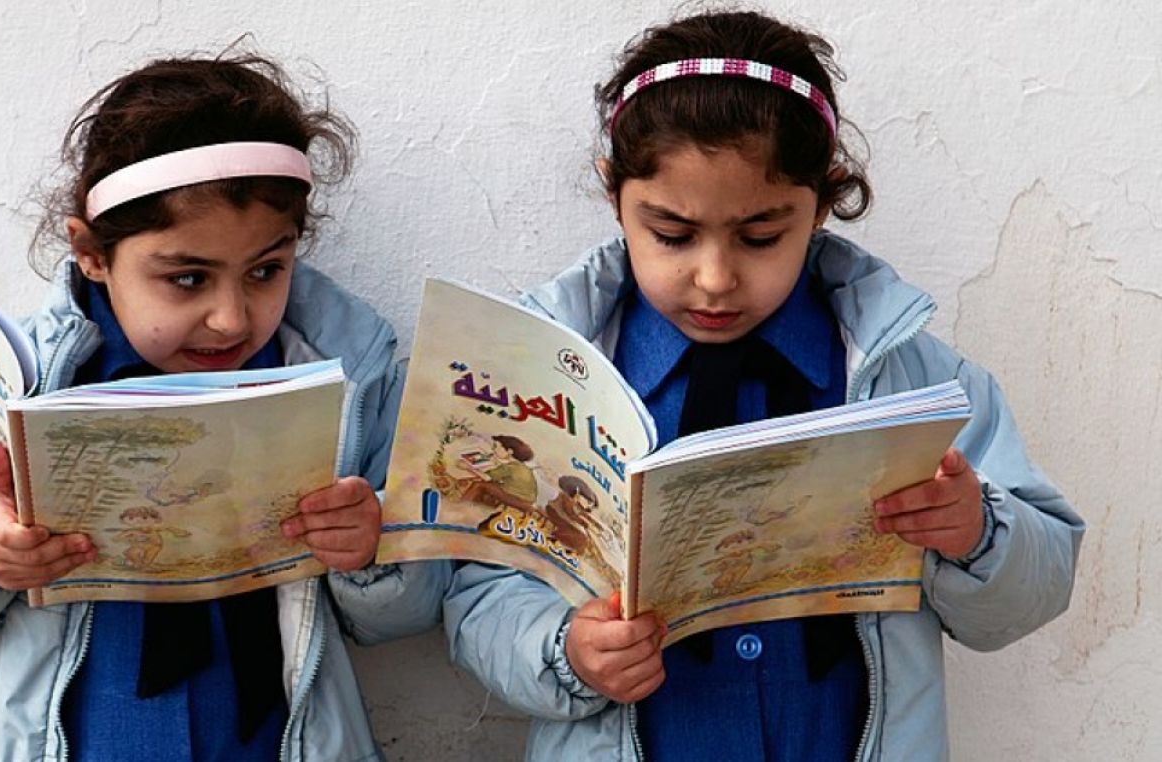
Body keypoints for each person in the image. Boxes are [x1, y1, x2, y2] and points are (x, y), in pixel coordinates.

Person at [443, 10, 1083, 761]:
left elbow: (1036, 587)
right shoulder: (548, 382)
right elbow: (477, 596)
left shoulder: (911, 378)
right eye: (672, 235)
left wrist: (977, 529)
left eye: (760, 237)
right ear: (613, 195)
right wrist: (566, 653)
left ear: (822, 202)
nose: (714, 279)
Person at [0, 53, 447, 761]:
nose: (230, 318)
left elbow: (410, 605)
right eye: (187, 278)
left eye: (266, 271)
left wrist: (369, 550)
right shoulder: (8, 380)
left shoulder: (344, 376)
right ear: (91, 253)